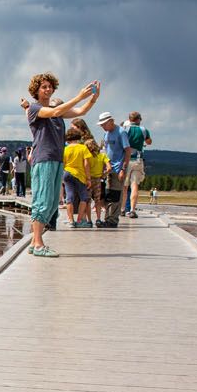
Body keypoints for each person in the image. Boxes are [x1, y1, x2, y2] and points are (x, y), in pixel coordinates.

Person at [22, 72, 100, 256]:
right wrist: (80, 96)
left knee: (51, 203)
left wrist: (93, 99)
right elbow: (56, 111)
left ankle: (34, 243)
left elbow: (81, 112)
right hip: (44, 158)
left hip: (57, 159)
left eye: (50, 86)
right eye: (44, 87)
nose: (48, 89)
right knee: (42, 200)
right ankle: (40, 244)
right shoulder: (34, 109)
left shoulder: (56, 112)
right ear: (37, 90)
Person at [96, 112, 130, 228]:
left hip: (118, 167)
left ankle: (113, 220)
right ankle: (107, 218)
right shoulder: (106, 134)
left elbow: (127, 151)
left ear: (111, 121)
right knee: (107, 194)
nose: (102, 127)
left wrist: (123, 169)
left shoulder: (121, 132)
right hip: (108, 168)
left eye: (104, 124)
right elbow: (106, 150)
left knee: (115, 194)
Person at [61, 122, 94, 228]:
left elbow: (63, 163)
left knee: (69, 197)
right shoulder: (83, 148)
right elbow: (86, 163)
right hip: (80, 175)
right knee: (83, 197)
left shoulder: (65, 149)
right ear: (79, 137)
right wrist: (88, 178)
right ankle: (80, 220)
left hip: (67, 173)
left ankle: (70, 220)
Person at [124, 111, 152, 218]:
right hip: (137, 160)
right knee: (134, 185)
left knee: (124, 186)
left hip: (126, 159)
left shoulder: (125, 130)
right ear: (138, 119)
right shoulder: (143, 130)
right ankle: (132, 209)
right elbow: (149, 142)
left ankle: (122, 209)